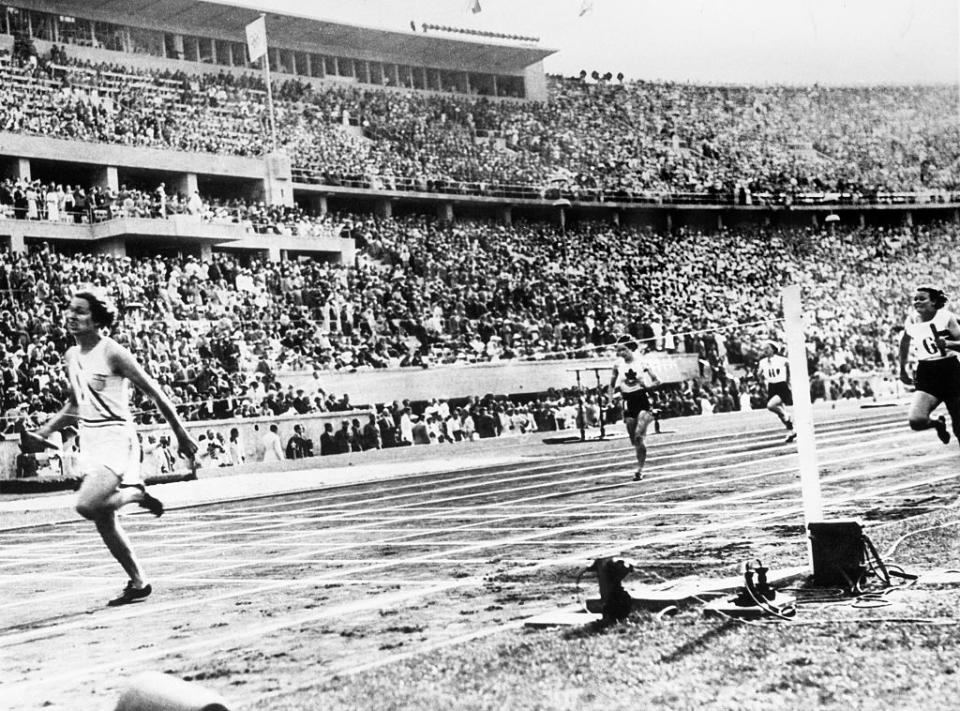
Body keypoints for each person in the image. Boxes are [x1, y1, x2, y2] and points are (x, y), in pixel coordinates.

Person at [26, 287, 198, 606]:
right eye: (70, 310)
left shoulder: (112, 352)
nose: (72, 316)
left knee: (87, 505)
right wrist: (45, 430)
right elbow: (77, 405)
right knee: (104, 520)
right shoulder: (71, 356)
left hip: (118, 438)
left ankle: (135, 493)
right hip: (90, 440)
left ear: (96, 319)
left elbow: (156, 393)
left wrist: (181, 433)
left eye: (81, 311)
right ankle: (138, 582)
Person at [898, 286, 960, 445]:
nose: (917, 302)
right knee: (916, 420)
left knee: (959, 426)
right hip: (927, 371)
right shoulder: (911, 319)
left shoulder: (946, 317)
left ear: (933, 301)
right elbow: (904, 342)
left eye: (922, 298)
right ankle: (937, 423)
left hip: (950, 371)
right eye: (915, 299)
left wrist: (948, 343)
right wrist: (902, 368)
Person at [609, 336, 659, 481]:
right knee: (635, 441)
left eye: (623, 350)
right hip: (628, 401)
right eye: (619, 351)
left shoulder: (642, 362)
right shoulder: (617, 365)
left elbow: (658, 380)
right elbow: (611, 384)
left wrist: (647, 386)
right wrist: (610, 400)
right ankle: (640, 465)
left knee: (638, 434)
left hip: (642, 399)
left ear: (630, 348)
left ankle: (640, 469)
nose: (621, 353)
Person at [757, 341, 796, 443]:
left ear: (773, 349)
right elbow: (759, 373)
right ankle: (792, 431)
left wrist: (788, 380)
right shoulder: (763, 362)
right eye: (764, 348)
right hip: (771, 386)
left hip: (781, 385)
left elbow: (790, 366)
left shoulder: (781, 360)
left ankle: (788, 417)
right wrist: (759, 377)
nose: (765, 350)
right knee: (780, 414)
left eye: (768, 348)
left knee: (771, 406)